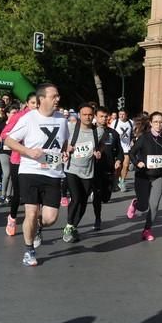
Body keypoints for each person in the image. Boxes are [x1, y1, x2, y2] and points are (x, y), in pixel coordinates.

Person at [4, 83, 69, 266]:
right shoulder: (28, 118)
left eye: (58, 96)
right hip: (30, 170)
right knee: (31, 212)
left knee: (50, 218)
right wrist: (28, 151)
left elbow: (63, 142)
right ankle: (29, 250)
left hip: (53, 173)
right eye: (54, 96)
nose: (58, 99)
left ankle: (38, 228)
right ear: (41, 99)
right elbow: (8, 139)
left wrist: (65, 151)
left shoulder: (62, 120)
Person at [127, 112, 162, 241]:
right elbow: (131, 153)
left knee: (154, 205)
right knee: (143, 206)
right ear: (151, 123)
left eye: (161, 122)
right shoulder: (144, 138)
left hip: (158, 176)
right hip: (143, 175)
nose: (159, 124)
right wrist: (137, 162)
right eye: (156, 122)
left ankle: (147, 230)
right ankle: (136, 203)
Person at [62, 104, 100, 243]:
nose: (88, 117)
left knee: (83, 203)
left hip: (88, 171)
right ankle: (68, 225)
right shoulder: (71, 128)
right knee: (76, 198)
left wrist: (98, 151)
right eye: (84, 114)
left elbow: (101, 145)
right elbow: (61, 143)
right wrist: (66, 148)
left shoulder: (97, 132)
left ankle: (73, 227)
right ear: (79, 115)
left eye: (90, 114)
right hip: (72, 169)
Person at [1, 92, 37, 236]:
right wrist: (20, 141)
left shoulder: (44, 117)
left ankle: (34, 224)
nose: (35, 106)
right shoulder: (20, 116)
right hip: (18, 159)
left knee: (35, 194)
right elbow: (4, 134)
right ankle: (13, 217)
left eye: (37, 103)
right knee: (18, 193)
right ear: (27, 103)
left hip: (36, 161)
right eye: (33, 103)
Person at [91, 106, 123, 230]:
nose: (104, 119)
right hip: (94, 169)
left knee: (106, 197)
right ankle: (97, 218)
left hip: (109, 170)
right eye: (101, 116)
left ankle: (102, 195)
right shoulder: (90, 131)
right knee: (98, 196)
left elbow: (119, 151)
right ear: (95, 117)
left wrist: (119, 160)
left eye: (106, 116)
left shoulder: (113, 133)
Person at [113, 109, 134, 192]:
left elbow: (134, 132)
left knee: (126, 165)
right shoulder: (115, 122)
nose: (121, 116)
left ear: (126, 115)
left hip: (127, 147)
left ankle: (122, 181)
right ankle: (116, 180)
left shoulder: (131, 123)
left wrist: (133, 140)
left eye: (123, 114)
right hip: (118, 147)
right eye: (120, 114)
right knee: (118, 166)